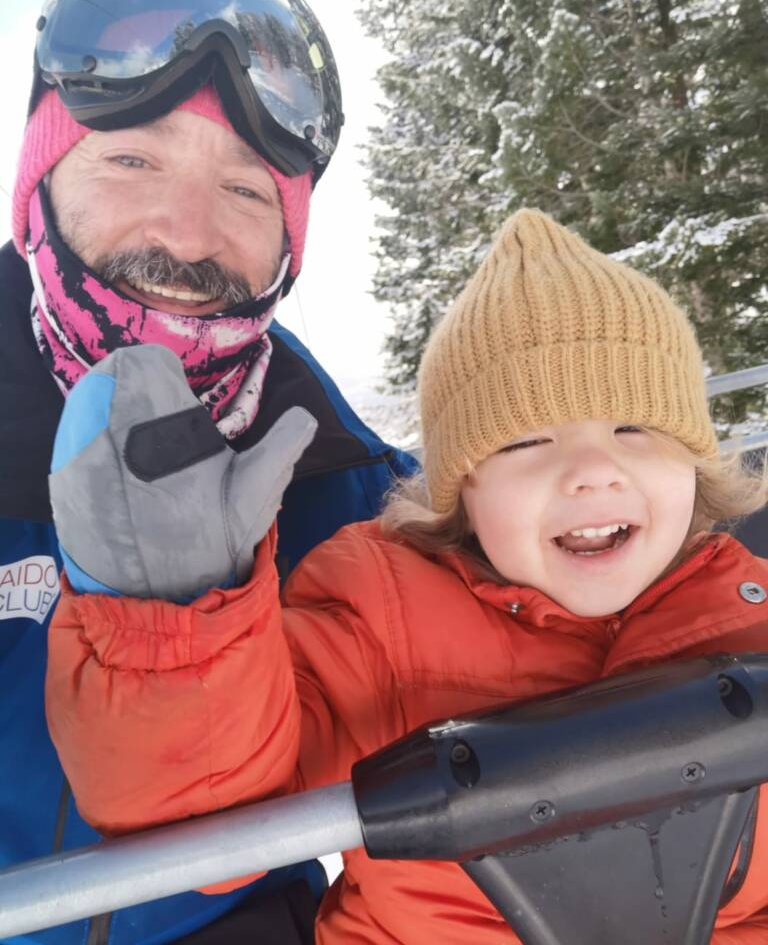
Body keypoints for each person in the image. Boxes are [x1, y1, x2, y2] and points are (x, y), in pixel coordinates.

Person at [47, 208, 768, 943]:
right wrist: (181, 620)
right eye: (526, 440)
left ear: (694, 461)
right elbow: (201, 816)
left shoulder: (751, 611)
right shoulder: (378, 614)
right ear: (462, 488)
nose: (592, 472)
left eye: (636, 428)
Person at [1, 0, 415, 945]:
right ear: (38, 188)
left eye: (243, 190)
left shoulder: (350, 488)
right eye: (133, 159)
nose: (186, 235)